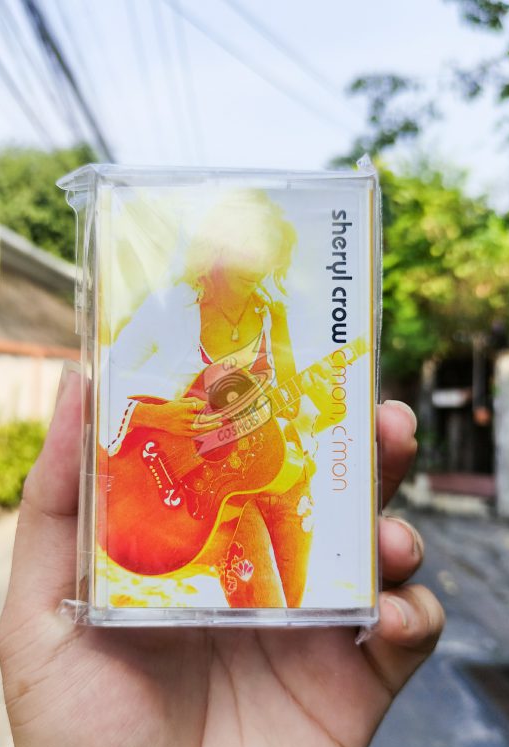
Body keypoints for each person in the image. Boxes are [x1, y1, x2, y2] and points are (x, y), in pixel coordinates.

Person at [0, 365, 444, 747]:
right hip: (148, 483)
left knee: (297, 584)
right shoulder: (156, 340)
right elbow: (113, 399)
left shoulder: (281, 368)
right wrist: (156, 415)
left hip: (224, 515)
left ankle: (285, 667)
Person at [101, 190, 342, 607]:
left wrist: (325, 408)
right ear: (217, 247)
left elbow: (292, 409)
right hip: (214, 493)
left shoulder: (274, 315)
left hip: (285, 480)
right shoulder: (169, 308)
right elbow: (102, 383)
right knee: (264, 612)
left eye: (269, 252)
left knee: (293, 613)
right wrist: (156, 416)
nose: (258, 264)